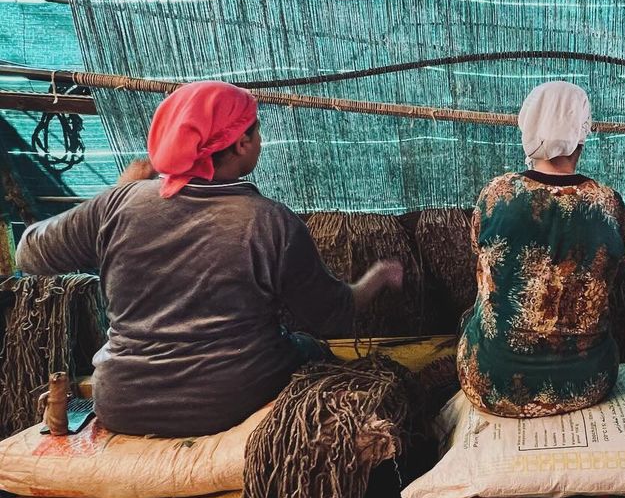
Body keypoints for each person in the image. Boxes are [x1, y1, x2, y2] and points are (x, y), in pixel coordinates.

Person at [16, 80, 402, 437]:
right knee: (310, 348)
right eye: (256, 130)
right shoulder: (270, 222)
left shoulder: (119, 203)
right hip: (229, 403)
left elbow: (28, 253)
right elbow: (332, 315)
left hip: (123, 403)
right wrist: (378, 278)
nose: (260, 139)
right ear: (241, 144)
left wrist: (118, 192)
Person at [456, 81, 625, 418]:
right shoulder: (610, 205)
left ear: (528, 127)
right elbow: (615, 272)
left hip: (492, 384)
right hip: (588, 383)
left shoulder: (496, 195)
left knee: (476, 309)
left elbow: (480, 256)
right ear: (582, 134)